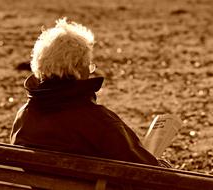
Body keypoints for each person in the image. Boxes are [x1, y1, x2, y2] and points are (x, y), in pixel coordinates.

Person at [10, 18, 160, 166]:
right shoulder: (100, 123)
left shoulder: (25, 117)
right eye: (88, 65)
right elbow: (148, 172)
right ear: (78, 69)